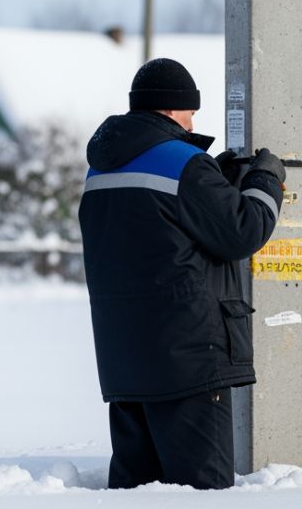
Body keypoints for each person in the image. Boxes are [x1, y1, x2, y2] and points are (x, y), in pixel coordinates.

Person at [77, 58, 285, 490]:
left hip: (125, 359)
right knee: (201, 491)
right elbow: (243, 231)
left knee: (136, 491)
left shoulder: (101, 167)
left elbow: (158, 238)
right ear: (173, 110)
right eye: (192, 111)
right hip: (189, 359)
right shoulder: (185, 163)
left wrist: (216, 184)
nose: (194, 121)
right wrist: (265, 180)